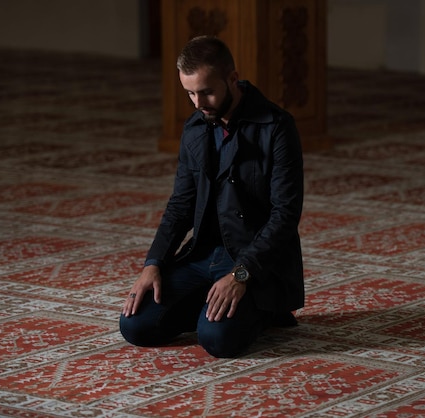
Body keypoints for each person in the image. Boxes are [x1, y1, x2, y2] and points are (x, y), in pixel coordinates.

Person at [119, 35, 305, 358]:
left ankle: (263, 309)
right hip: (202, 257)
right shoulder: (195, 126)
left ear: (232, 79)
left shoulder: (277, 127)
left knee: (216, 339)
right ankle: (211, 303)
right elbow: (180, 205)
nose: (197, 103)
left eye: (206, 91)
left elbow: (285, 215)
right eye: (190, 93)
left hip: (252, 260)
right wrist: (153, 263)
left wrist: (242, 274)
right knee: (134, 325)